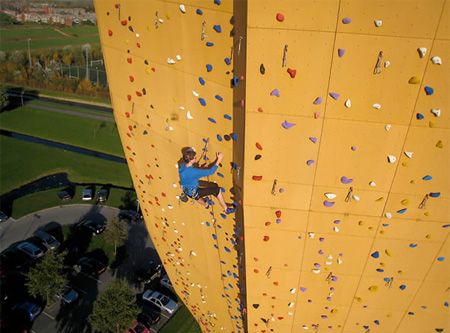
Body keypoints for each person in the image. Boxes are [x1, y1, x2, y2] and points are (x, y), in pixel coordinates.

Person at [179, 147, 236, 214]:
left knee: (196, 197)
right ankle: (226, 209)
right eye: (195, 158)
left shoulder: (183, 166)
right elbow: (211, 171)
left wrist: (201, 168)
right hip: (194, 190)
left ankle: (206, 205)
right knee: (217, 190)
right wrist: (219, 159)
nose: (196, 158)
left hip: (187, 190)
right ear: (191, 160)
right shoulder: (194, 171)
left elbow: (191, 173)